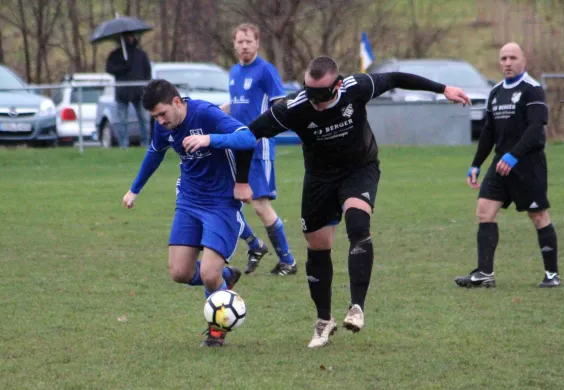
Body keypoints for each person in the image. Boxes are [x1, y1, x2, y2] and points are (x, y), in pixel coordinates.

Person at [185, 55, 470, 348]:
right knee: (317, 247)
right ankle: (324, 321)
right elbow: (249, 136)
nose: (315, 100)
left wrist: (442, 88)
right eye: (309, 92)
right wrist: (242, 180)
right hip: (320, 179)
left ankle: (356, 307)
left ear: (336, 86)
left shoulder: (356, 87)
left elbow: (396, 78)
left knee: (358, 224)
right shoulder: (295, 107)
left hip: (359, 169)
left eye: (321, 94)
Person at [121, 79, 258, 347]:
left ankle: (217, 330)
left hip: (221, 203)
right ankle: (226, 278)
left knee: (208, 274)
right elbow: (154, 153)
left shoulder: (205, 113)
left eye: (162, 114)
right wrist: (134, 189)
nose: (160, 121)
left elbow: (247, 138)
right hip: (189, 202)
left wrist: (210, 139)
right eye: (154, 117)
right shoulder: (164, 126)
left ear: (176, 102)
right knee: (180, 272)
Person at [455, 42, 561, 289]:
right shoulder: (496, 92)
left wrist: (514, 156)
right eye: (503, 58)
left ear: (524, 60)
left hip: (528, 164)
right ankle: (484, 273)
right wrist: (476, 164)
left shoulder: (532, 90)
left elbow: (535, 128)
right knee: (484, 210)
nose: (508, 63)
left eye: (513, 58)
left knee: (538, 215)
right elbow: (489, 132)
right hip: (500, 164)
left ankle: (552, 275)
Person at [219, 23, 297, 276]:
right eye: (240, 42)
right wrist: (217, 114)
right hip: (235, 144)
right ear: (234, 44)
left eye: (248, 41)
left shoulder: (265, 71)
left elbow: (279, 104)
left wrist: (266, 129)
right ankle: (255, 245)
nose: (244, 46)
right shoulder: (233, 72)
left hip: (258, 145)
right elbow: (238, 103)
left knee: (260, 205)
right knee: (226, 199)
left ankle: (288, 261)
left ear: (257, 43)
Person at [106, 33, 151, 148]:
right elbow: (109, 68)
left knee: (144, 119)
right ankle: (123, 145)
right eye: (127, 37)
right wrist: (123, 68)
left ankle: (145, 143)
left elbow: (147, 72)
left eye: (131, 37)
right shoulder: (116, 55)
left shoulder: (141, 55)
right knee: (122, 121)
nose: (129, 39)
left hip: (139, 92)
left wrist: (144, 86)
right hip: (123, 92)